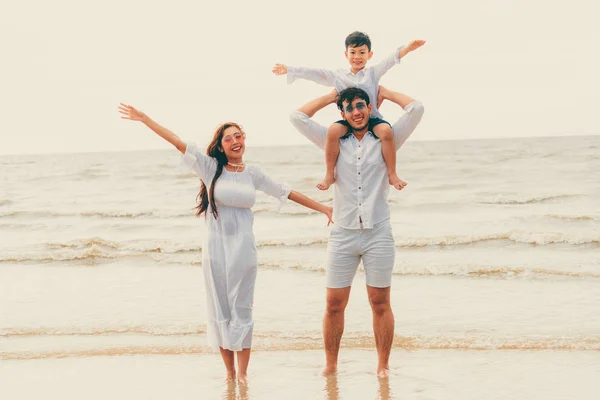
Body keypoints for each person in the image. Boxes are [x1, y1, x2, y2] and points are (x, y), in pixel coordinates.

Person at [118, 104, 333, 384]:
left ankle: (243, 373)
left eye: (238, 136)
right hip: (215, 251)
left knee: (241, 307)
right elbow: (177, 142)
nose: (235, 141)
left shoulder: (252, 174)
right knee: (219, 307)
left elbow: (286, 192)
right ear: (220, 146)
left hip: (243, 251)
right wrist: (145, 119)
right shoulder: (210, 168)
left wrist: (324, 209)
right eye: (228, 138)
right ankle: (229, 373)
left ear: (244, 140)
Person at [289, 86, 424, 377]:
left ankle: (383, 366)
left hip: (378, 232)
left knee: (380, 301)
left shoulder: (388, 137)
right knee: (334, 304)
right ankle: (331, 366)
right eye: (349, 108)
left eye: (361, 105)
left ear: (370, 107)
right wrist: (332, 96)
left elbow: (416, 109)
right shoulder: (333, 138)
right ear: (343, 113)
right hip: (343, 234)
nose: (356, 112)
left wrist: (385, 91)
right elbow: (297, 117)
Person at [273, 31, 425, 191]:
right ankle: (329, 175)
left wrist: (408, 48)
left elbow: (390, 61)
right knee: (332, 131)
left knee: (386, 132)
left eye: (362, 52)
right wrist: (290, 69)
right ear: (346, 54)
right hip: (348, 123)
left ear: (370, 54)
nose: (357, 57)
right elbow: (315, 73)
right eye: (353, 52)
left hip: (373, 121)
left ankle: (392, 174)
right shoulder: (338, 76)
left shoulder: (372, 73)